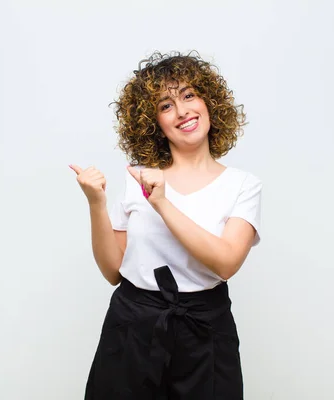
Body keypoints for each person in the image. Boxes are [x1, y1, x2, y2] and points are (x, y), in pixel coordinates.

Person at [69, 51, 262, 399]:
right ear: (153, 121)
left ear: (209, 103)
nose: (183, 111)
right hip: (133, 327)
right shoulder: (137, 177)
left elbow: (226, 262)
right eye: (166, 105)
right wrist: (96, 203)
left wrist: (160, 202)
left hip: (205, 332)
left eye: (189, 95)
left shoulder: (242, 185)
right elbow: (114, 271)